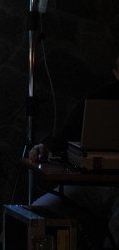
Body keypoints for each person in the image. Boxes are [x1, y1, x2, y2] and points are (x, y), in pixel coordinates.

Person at [30, 54, 119, 249]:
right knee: (39, 212)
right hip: (92, 184)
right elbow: (66, 134)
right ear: (116, 73)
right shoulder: (99, 99)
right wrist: (45, 147)